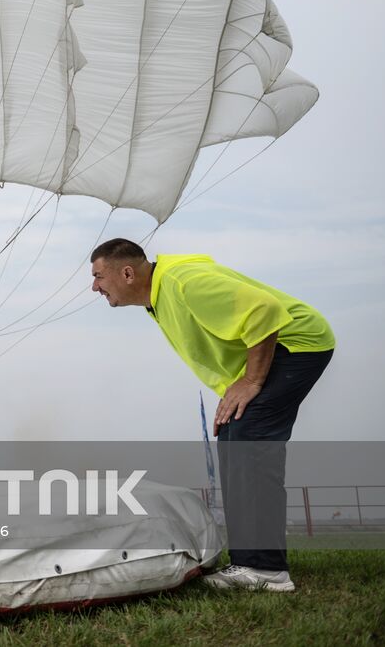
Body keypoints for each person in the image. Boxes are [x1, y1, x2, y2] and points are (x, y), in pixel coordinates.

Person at [89, 238, 334, 592]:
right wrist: (232, 391)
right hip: (270, 352)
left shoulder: (184, 283)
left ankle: (266, 570)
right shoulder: (159, 298)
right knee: (234, 439)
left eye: (98, 276)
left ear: (127, 273)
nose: (94, 287)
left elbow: (264, 310)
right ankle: (248, 563)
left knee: (250, 442)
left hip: (297, 345)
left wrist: (251, 381)